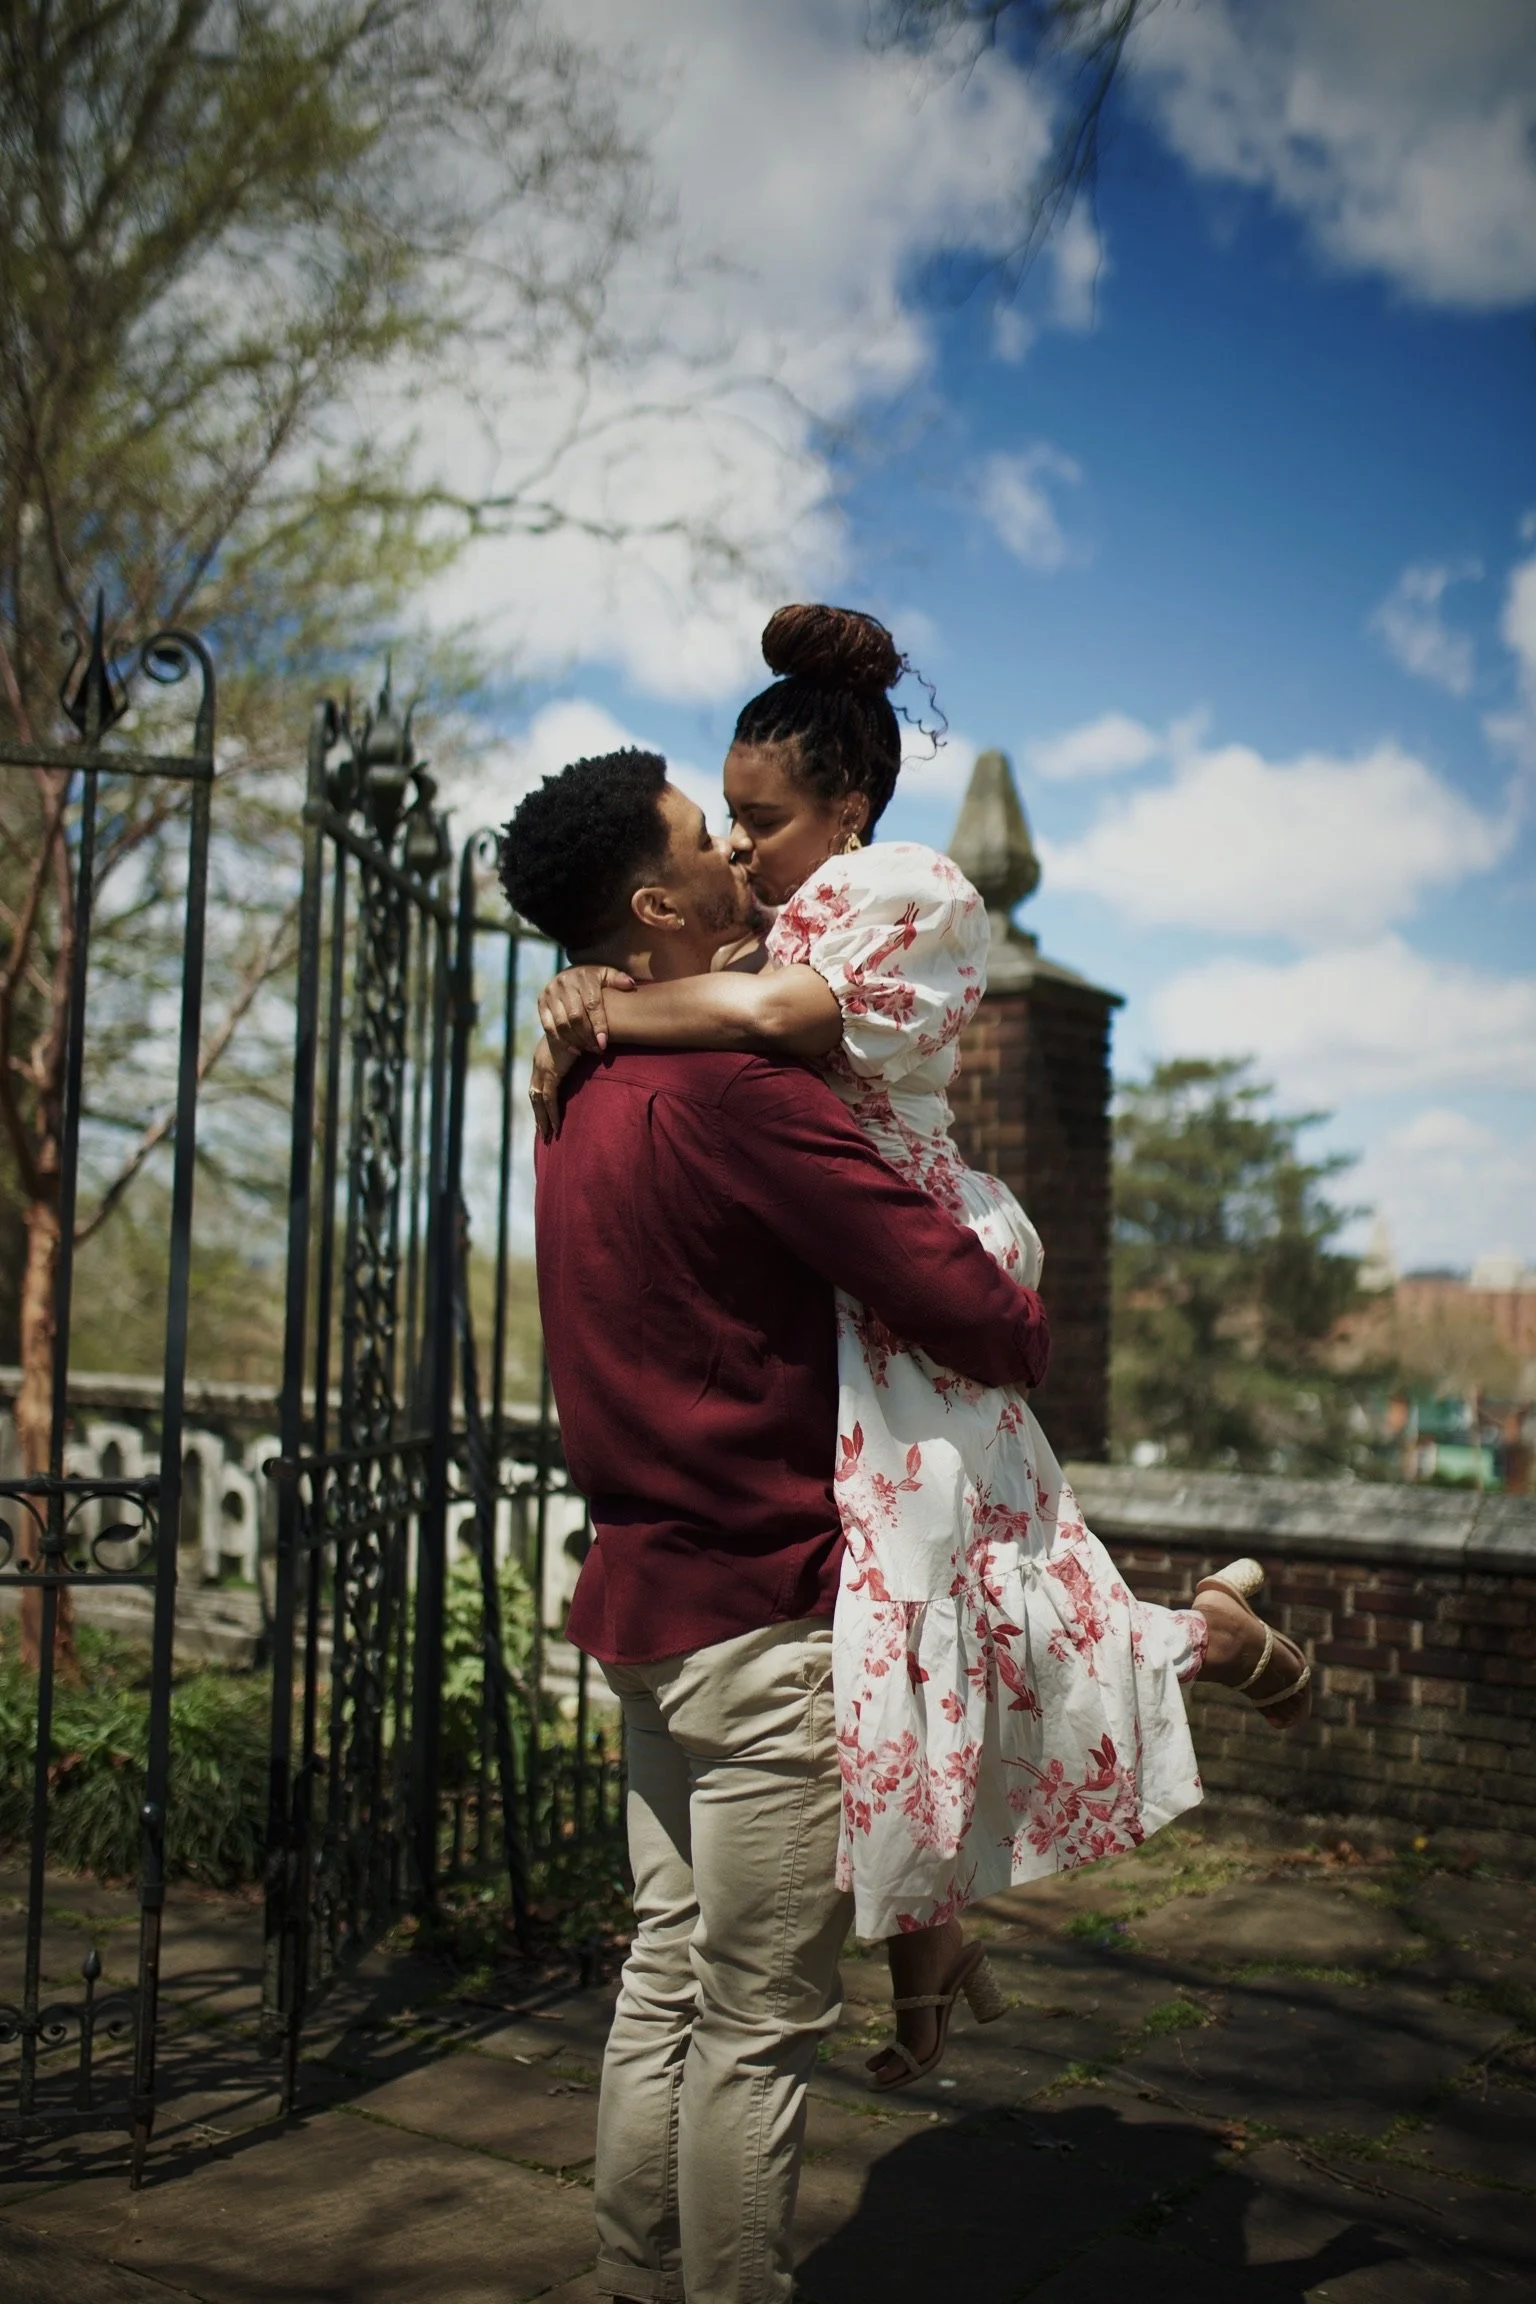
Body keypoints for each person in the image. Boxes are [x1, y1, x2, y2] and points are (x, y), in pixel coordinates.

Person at [531, 605, 1312, 2093]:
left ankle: (1208, 1635)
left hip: (919, 1258)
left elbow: (767, 1016)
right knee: (909, 1633)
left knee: (958, 1624)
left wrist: (605, 1012)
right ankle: (931, 1960)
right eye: (726, 822)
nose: (744, 852)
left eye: (759, 821)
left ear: (852, 808)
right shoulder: (779, 915)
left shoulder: (902, 889)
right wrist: (592, 988)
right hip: (856, 1297)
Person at [499, 747, 1054, 2304]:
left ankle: (629, 2279)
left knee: (664, 1987)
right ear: (658, 903)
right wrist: (1015, 1288)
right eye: (709, 841)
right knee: (754, 2027)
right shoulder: (733, 1092)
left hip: (642, 1611)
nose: (747, 865)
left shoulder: (569, 1084)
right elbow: (976, 1313)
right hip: (761, 1629)